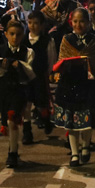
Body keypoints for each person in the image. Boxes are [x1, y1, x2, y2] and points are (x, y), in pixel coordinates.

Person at [52, 8, 95, 167]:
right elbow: (61, 59)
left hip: (87, 84)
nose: (78, 24)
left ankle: (86, 146)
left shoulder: (94, 40)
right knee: (71, 122)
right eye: (75, 21)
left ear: (88, 22)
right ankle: (74, 153)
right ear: (71, 22)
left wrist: (88, 63)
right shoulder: (66, 40)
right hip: (69, 84)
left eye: (82, 21)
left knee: (86, 120)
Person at [0, 20, 36, 168]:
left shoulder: (28, 52)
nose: (14, 38)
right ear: (6, 34)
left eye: (18, 34)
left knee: (12, 120)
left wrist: (16, 65)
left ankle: (13, 152)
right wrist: (9, 64)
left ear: (23, 35)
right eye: (11, 34)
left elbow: (29, 72)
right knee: (6, 121)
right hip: (4, 91)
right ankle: (12, 148)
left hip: (19, 90)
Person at [26, 13, 54, 141]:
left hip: (39, 75)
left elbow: (51, 58)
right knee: (26, 103)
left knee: (41, 102)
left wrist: (47, 73)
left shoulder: (47, 41)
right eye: (30, 22)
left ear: (42, 25)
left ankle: (46, 119)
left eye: (36, 23)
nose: (32, 26)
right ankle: (27, 131)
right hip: (25, 77)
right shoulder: (23, 39)